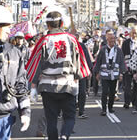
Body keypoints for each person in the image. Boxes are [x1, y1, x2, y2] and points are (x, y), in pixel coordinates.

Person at [25, 11, 90, 140]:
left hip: (47, 87)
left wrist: (33, 86)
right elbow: (79, 61)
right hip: (67, 85)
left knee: (51, 120)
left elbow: (35, 63)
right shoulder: (71, 39)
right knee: (70, 117)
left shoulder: (43, 41)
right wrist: (77, 79)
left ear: (47, 25)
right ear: (61, 23)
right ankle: (65, 135)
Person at [0, 4, 31, 139]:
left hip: (4, 122)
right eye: (6, 27)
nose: (9, 31)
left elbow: (20, 84)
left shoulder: (14, 53)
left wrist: (25, 111)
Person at [94, 32, 126, 115]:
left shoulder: (118, 50)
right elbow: (98, 62)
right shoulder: (102, 49)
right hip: (104, 74)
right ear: (107, 40)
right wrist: (97, 73)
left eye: (113, 38)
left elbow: (122, 61)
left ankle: (110, 107)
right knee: (104, 91)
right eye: (110, 39)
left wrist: (121, 73)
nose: (112, 40)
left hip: (114, 74)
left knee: (112, 92)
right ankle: (104, 109)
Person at [122, 28, 137, 109]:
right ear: (130, 34)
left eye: (135, 33)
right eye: (133, 33)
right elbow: (123, 55)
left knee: (136, 85)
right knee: (127, 85)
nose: (134, 35)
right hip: (128, 66)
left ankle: (135, 102)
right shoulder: (126, 43)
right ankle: (127, 102)